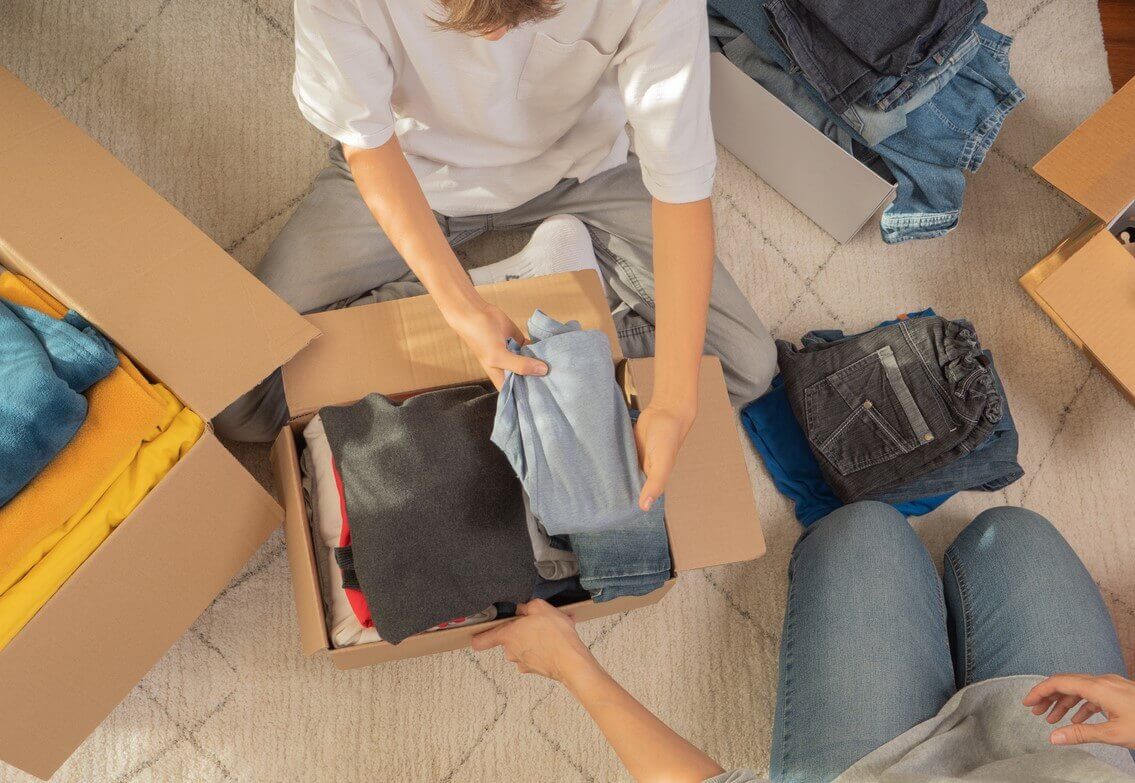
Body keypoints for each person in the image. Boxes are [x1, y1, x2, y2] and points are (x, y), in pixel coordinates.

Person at [214, 0, 778, 508]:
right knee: (240, 398)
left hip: (580, 171)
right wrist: (463, 309)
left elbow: (681, 189)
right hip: (410, 170)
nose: (493, 40)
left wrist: (675, 405)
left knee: (744, 366)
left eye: (521, 16)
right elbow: (367, 143)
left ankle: (543, 299)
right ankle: (524, 280)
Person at [472, 502, 1135, 781]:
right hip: (1079, 750)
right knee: (1011, 528)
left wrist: (572, 667)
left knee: (861, 527)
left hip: (878, 769)